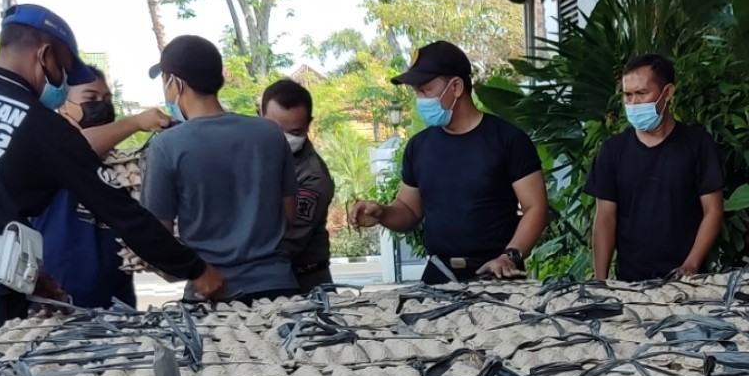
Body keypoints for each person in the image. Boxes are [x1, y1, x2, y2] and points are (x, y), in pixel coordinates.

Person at [0, 4, 222, 375]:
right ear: (44, 56)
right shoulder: (38, 122)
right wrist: (197, 270)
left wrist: (30, 274)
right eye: (63, 69)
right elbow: (119, 210)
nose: (62, 82)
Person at [349, 42, 547, 284]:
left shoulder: (508, 139)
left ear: (455, 87)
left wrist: (510, 255)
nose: (420, 99)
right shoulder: (418, 147)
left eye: (426, 90)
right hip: (439, 274)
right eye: (416, 92)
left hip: (496, 274)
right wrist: (382, 213)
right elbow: (409, 211)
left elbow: (535, 208)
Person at [144, 36, 299, 302]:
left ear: (176, 83)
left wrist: (188, 270)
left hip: (211, 296)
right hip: (278, 290)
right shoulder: (269, 133)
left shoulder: (166, 146)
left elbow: (155, 238)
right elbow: (288, 213)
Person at [33, 67, 170, 309]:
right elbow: (78, 150)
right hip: (59, 296)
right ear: (64, 105)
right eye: (90, 98)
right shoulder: (46, 145)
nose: (101, 106)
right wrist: (137, 122)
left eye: (107, 100)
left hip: (117, 299)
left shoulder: (119, 163)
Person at [585, 54, 725, 281]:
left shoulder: (698, 144)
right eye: (628, 95)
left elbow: (713, 210)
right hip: (629, 282)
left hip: (688, 283)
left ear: (667, 93)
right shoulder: (612, 150)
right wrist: (600, 281)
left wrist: (691, 264)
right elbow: (605, 218)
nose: (633, 103)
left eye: (642, 93)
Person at [260, 79, 336, 294]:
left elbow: (289, 243)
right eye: (274, 129)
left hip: (304, 285)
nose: (282, 140)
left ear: (309, 124)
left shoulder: (313, 176)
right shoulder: (250, 156)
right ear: (259, 116)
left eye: (293, 132)